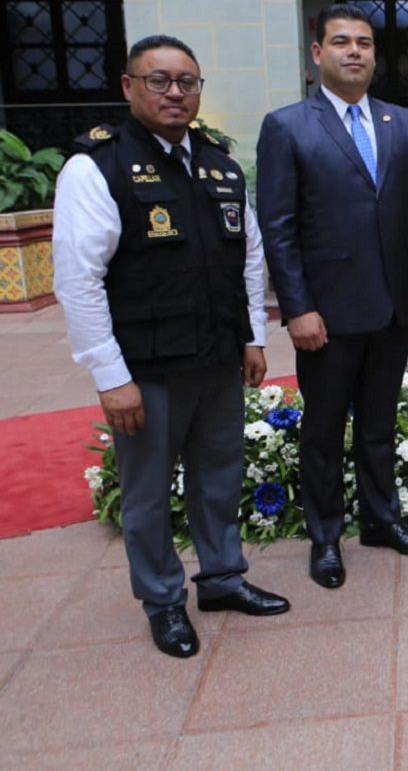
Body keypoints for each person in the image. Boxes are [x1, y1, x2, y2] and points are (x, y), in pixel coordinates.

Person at [53, 35, 289, 658]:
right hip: (146, 369)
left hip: (216, 359)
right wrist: (109, 375)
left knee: (218, 478)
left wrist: (253, 336)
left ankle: (220, 579)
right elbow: (77, 280)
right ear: (129, 87)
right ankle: (162, 601)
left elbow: (248, 256)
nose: (176, 92)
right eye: (159, 81)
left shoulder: (219, 164)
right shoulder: (96, 166)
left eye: (187, 81)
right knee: (149, 494)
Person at [256, 4, 408, 587]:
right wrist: (295, 307)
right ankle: (325, 537)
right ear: (316, 54)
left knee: (377, 424)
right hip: (326, 312)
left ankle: (381, 520)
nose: (355, 52)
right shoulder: (287, 126)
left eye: (364, 43)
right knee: (322, 430)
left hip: (393, 305)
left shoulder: (401, 122)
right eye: (341, 42)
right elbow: (279, 227)